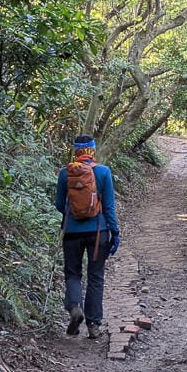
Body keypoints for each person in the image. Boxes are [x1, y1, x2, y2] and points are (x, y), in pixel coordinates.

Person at [55, 135, 120, 339]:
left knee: (73, 273)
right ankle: (93, 325)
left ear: (76, 151)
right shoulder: (103, 171)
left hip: (72, 232)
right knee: (95, 277)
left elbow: (59, 205)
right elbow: (109, 206)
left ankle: (75, 308)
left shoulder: (65, 173)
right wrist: (115, 232)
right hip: (98, 232)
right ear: (92, 150)